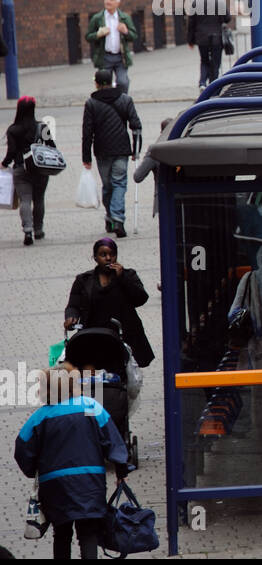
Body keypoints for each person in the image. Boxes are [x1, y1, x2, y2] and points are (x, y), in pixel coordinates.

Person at [15, 368, 129, 559]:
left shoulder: (39, 417)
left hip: (54, 484)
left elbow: (22, 450)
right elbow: (113, 440)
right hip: (89, 481)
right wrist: (121, 470)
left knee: (61, 533)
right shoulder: (91, 407)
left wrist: (33, 470)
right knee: (88, 533)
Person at [63, 237, 155, 369]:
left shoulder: (128, 275)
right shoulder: (83, 280)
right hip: (93, 337)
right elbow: (73, 305)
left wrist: (123, 277)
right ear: (95, 257)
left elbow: (141, 298)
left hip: (122, 337)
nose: (108, 258)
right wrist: (70, 317)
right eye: (103, 255)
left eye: (112, 254)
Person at [82, 67, 142, 237]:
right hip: (122, 149)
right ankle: (115, 218)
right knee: (119, 184)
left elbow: (87, 133)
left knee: (108, 185)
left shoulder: (91, 103)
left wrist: (86, 157)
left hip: (102, 151)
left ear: (96, 83)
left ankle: (113, 217)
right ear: (112, 81)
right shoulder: (125, 99)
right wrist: (136, 148)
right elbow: (136, 125)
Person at [3, 96, 50, 245]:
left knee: (25, 199)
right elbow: (52, 147)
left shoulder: (13, 129)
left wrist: (4, 164)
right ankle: (38, 230)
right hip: (40, 169)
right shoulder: (42, 127)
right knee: (39, 199)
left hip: (20, 168)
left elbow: (11, 151)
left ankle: (28, 231)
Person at [85, 0, 136, 93]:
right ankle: (106, 104)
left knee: (123, 82)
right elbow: (88, 37)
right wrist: (98, 34)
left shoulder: (124, 18)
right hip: (104, 57)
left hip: (120, 57)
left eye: (111, 0)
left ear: (117, 3)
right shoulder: (97, 18)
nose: (108, 2)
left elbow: (134, 36)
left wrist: (125, 32)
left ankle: (121, 102)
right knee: (104, 84)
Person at [187, 0, 234, 89]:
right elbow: (228, 18)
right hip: (217, 37)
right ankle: (213, 85)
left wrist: (190, 40)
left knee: (204, 60)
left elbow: (191, 23)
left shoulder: (196, 3)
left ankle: (202, 83)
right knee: (215, 62)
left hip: (201, 37)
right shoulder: (219, 2)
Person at [132, 117, 173, 218]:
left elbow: (138, 176)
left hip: (162, 200)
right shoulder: (183, 148)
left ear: (161, 132)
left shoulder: (155, 151)